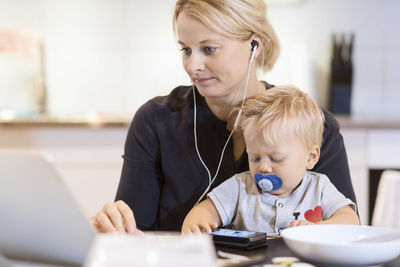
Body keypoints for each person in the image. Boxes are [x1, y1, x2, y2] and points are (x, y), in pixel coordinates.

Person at [92, 0, 357, 233]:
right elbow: (135, 233)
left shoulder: (310, 126)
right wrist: (114, 230)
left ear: (254, 45)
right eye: (185, 49)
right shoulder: (155, 122)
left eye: (209, 49)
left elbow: (346, 234)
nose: (192, 66)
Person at [181, 86, 360, 234]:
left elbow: (350, 220)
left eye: (277, 158)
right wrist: (196, 223)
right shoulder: (240, 187)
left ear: (310, 157)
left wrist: (319, 229)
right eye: (255, 157)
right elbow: (205, 210)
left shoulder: (318, 187)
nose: (264, 167)